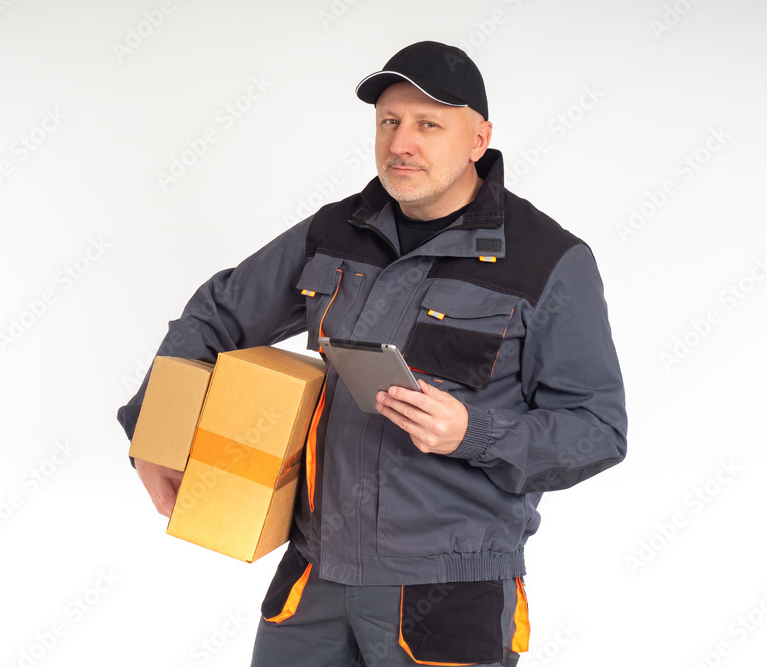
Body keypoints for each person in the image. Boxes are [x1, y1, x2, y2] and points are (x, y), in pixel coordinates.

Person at [118, 41, 627, 667]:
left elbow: (597, 431)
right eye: (389, 121)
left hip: (445, 592)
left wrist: (474, 433)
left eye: (427, 124)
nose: (400, 143)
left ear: (478, 138)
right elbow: (218, 313)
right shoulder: (336, 230)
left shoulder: (546, 262)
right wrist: (155, 434)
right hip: (314, 575)